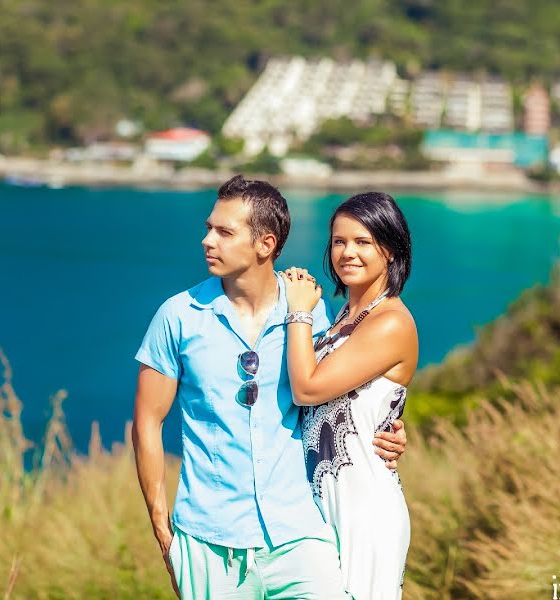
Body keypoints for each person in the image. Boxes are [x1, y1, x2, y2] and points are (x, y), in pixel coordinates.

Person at [131, 175, 408, 599]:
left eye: (224, 232)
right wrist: (161, 524)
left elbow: (334, 391)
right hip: (208, 537)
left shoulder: (310, 312)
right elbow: (147, 421)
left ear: (265, 243)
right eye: (209, 228)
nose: (207, 240)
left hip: (301, 533)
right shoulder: (178, 316)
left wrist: (389, 429)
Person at [280, 191, 417, 600]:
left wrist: (298, 310)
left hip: (364, 507)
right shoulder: (346, 317)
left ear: (389, 250)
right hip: (327, 501)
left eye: (362, 242)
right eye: (339, 241)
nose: (347, 253)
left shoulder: (391, 321)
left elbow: (307, 389)